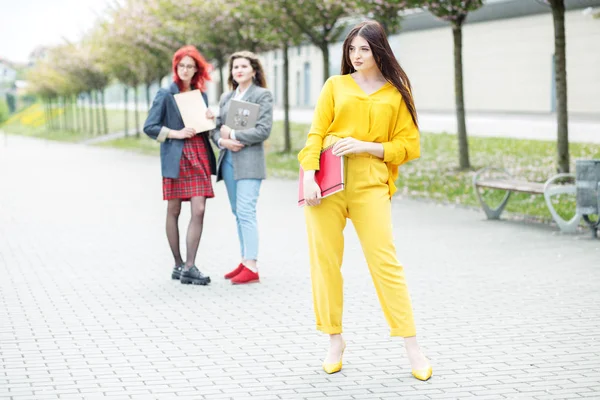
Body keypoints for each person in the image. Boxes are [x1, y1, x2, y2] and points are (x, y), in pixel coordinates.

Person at [298, 21, 432, 380]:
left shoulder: (395, 94)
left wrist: (365, 146)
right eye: (352, 49)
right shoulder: (335, 86)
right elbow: (316, 133)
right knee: (325, 263)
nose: (356, 56)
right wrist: (309, 175)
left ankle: (412, 347)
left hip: (371, 184)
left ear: (379, 51)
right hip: (326, 184)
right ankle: (334, 340)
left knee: (385, 263)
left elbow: (409, 146)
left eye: (364, 50)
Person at [144, 45, 216, 286]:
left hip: (198, 155)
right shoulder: (165, 94)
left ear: (197, 69)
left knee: (199, 209)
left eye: (190, 66)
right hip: (176, 155)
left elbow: (204, 129)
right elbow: (150, 127)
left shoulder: (200, 95)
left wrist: (210, 120)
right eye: (181, 65)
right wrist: (175, 133)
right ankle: (177, 264)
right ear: (176, 68)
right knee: (174, 210)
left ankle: (190, 266)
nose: (185, 70)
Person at [211, 51, 273, 285]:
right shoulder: (226, 97)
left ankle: (252, 265)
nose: (239, 70)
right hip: (227, 161)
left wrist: (234, 134)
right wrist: (222, 140)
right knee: (238, 212)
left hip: (249, 162)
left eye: (244, 66)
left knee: (246, 211)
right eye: (235, 67)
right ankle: (244, 260)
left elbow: (263, 129)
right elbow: (216, 128)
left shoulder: (262, 95)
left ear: (254, 70)